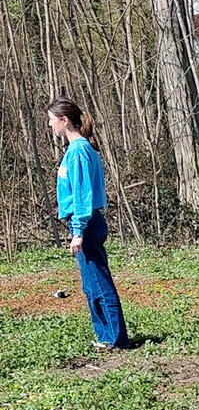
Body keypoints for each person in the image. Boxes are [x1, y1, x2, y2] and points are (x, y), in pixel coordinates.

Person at [51, 98, 130, 351]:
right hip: (82, 222)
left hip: (86, 223)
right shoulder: (75, 150)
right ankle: (105, 335)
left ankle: (116, 338)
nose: (50, 125)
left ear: (64, 120)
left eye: (51, 120)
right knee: (90, 284)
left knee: (98, 281)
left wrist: (78, 231)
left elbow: (83, 194)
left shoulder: (79, 151)